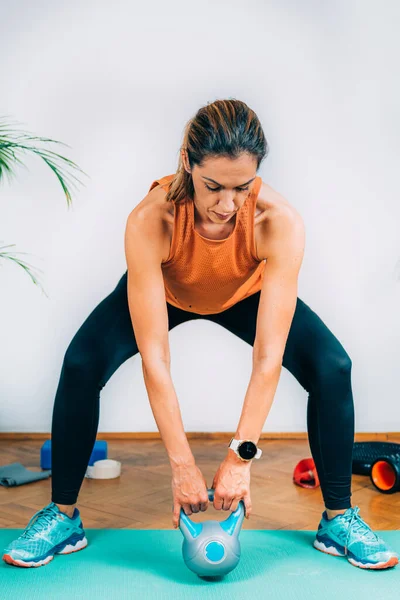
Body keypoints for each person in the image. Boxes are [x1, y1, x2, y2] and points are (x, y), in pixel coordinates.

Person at [3, 99, 398, 570]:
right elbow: (156, 359)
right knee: (81, 364)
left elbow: (268, 357)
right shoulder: (151, 219)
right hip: (167, 290)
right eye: (213, 186)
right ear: (188, 164)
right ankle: (63, 518)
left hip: (242, 294)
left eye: (242, 187)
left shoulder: (279, 222)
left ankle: (337, 520)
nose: (228, 205)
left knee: (333, 367)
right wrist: (182, 466)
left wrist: (240, 457)